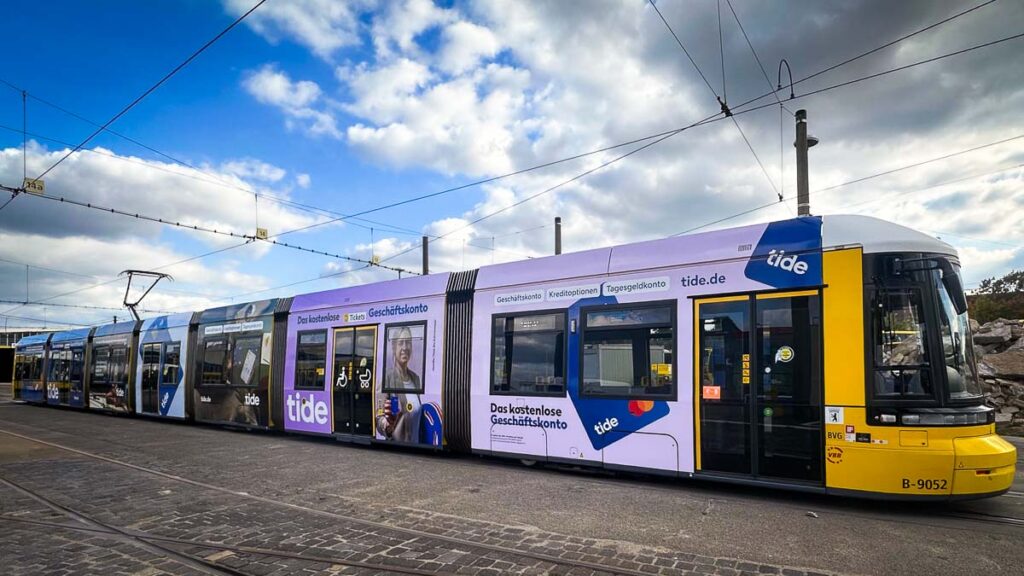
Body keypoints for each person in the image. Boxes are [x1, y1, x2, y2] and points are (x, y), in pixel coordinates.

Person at [378, 326, 422, 442]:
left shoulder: (415, 379)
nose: (405, 347)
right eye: (401, 343)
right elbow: (378, 417)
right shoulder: (387, 377)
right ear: (393, 347)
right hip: (400, 448)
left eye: (408, 342)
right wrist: (387, 425)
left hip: (416, 447)